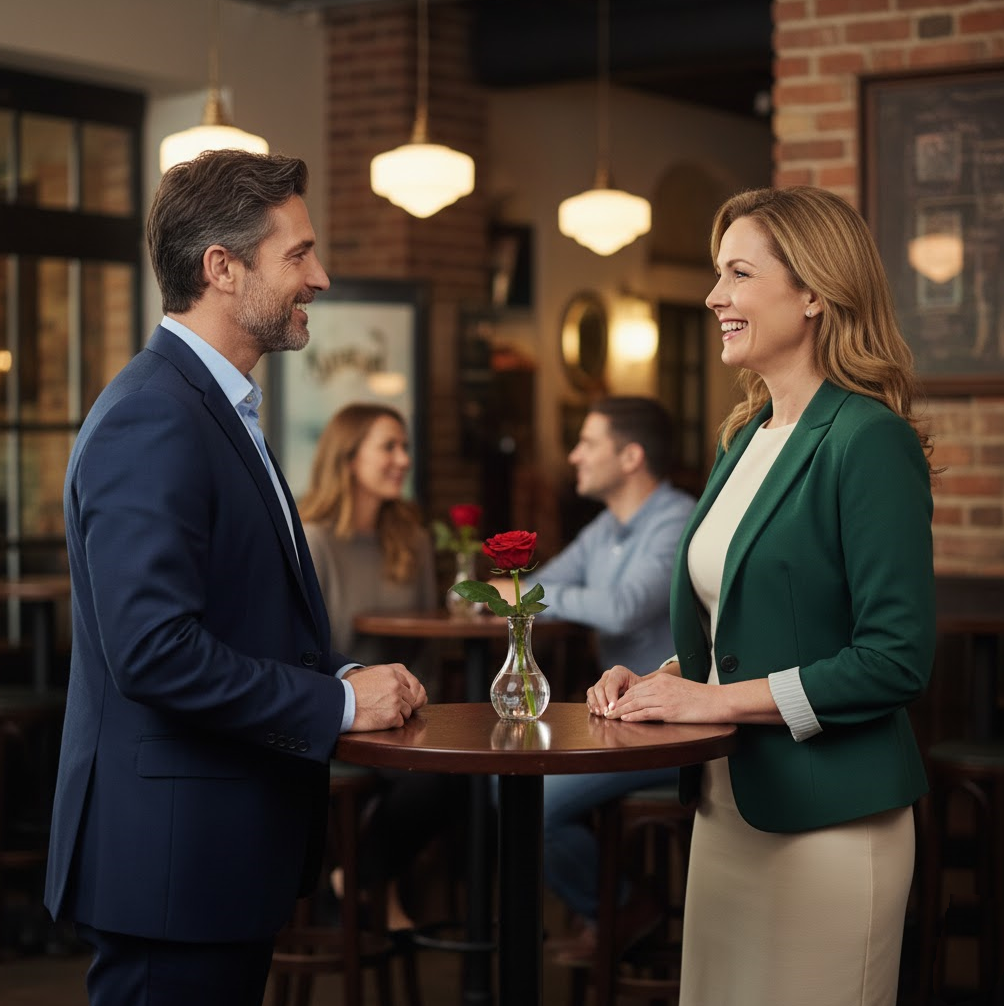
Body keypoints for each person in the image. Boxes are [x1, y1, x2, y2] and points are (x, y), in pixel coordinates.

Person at [43, 150, 426, 1006]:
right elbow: (154, 652)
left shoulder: (213, 404)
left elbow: (234, 619)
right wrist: (334, 707)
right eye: (298, 254)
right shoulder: (154, 413)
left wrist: (341, 676)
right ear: (222, 267)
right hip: (173, 867)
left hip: (211, 860)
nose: (319, 277)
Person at [588, 186, 936, 1005]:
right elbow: (743, 627)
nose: (714, 297)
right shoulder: (746, 436)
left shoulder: (868, 439)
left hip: (831, 826)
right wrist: (662, 679)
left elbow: (895, 660)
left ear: (814, 292)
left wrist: (708, 703)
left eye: (738, 274)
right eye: (718, 275)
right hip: (727, 809)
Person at [490, 396, 696, 964]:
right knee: (505, 778)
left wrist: (526, 596)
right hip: (619, 716)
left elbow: (625, 607)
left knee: (522, 794)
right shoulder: (608, 527)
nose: (574, 454)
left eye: (587, 441)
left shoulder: (678, 518)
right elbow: (541, 587)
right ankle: (613, 907)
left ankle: (622, 909)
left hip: (675, 723)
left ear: (631, 456)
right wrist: (518, 595)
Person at [299, 402, 464, 931]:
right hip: (339, 714)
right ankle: (377, 886)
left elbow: (426, 651)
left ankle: (354, 880)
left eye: (405, 447)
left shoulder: (409, 538)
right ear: (348, 458)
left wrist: (420, 708)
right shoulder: (312, 540)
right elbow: (300, 649)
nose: (403, 459)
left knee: (471, 768)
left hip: (403, 717)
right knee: (438, 779)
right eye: (388, 447)